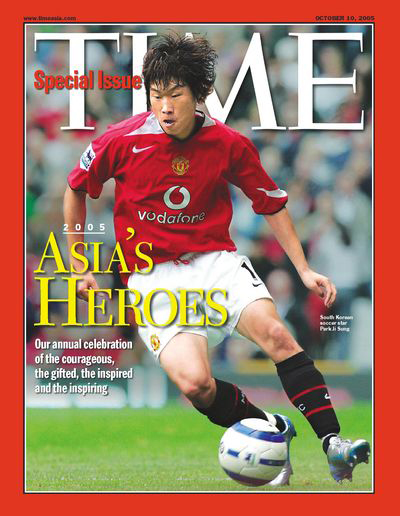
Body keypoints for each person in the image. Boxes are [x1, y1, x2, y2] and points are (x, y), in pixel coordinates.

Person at [64, 33, 370, 485]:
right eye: (156, 95)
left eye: (175, 94)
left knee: (276, 335)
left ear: (199, 94)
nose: (165, 106)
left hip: (215, 262)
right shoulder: (122, 140)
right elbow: (75, 188)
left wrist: (304, 269)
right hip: (152, 278)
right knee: (196, 384)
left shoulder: (228, 143)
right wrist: (79, 265)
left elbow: (271, 203)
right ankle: (268, 428)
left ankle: (334, 444)